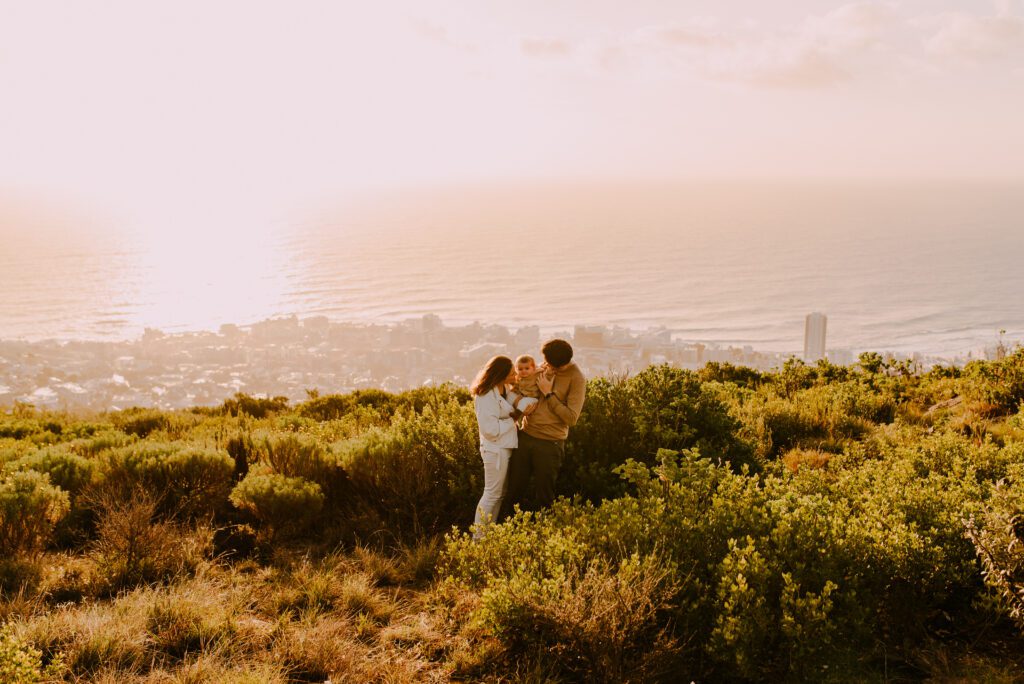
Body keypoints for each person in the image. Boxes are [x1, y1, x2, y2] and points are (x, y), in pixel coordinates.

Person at [500, 339, 586, 518]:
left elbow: (571, 418)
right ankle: (506, 534)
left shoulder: (576, 378)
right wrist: (519, 403)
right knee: (513, 491)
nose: (546, 365)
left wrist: (548, 393)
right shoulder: (543, 367)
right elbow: (518, 389)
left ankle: (542, 537)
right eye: (545, 361)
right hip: (526, 436)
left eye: (551, 364)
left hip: (550, 443)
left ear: (562, 363)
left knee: (544, 497)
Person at [469, 355, 518, 537]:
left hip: (503, 448)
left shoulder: (503, 388)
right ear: (501, 374)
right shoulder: (485, 395)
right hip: (494, 450)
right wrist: (513, 421)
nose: (515, 377)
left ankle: (488, 534)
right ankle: (478, 539)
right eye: (512, 374)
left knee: (499, 494)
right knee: (491, 494)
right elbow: (489, 430)